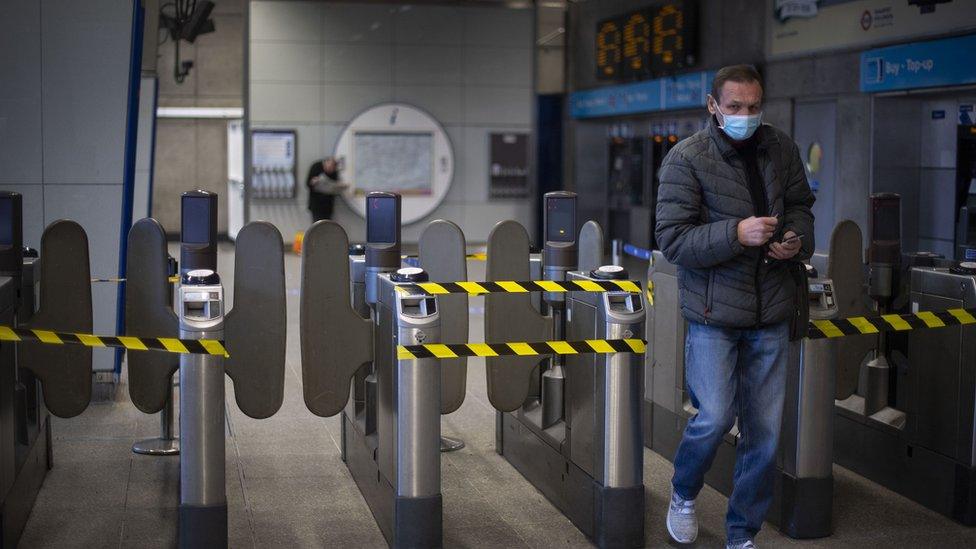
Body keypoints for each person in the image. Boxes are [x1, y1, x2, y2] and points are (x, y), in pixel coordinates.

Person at [654, 64, 815, 549]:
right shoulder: (687, 159)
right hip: (713, 314)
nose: (746, 115)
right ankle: (683, 493)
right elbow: (672, 239)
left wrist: (795, 240)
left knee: (764, 435)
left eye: (753, 107)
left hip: (771, 310)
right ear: (713, 106)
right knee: (715, 417)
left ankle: (741, 533)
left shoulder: (780, 147)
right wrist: (735, 233)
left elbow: (802, 205)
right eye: (735, 107)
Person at [306, 157, 346, 223]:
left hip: (328, 206)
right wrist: (313, 182)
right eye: (329, 168)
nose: (329, 171)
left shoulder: (334, 171)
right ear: (326, 162)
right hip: (316, 205)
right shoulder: (316, 167)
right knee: (317, 227)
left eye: (332, 169)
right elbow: (307, 183)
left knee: (328, 227)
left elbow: (334, 187)